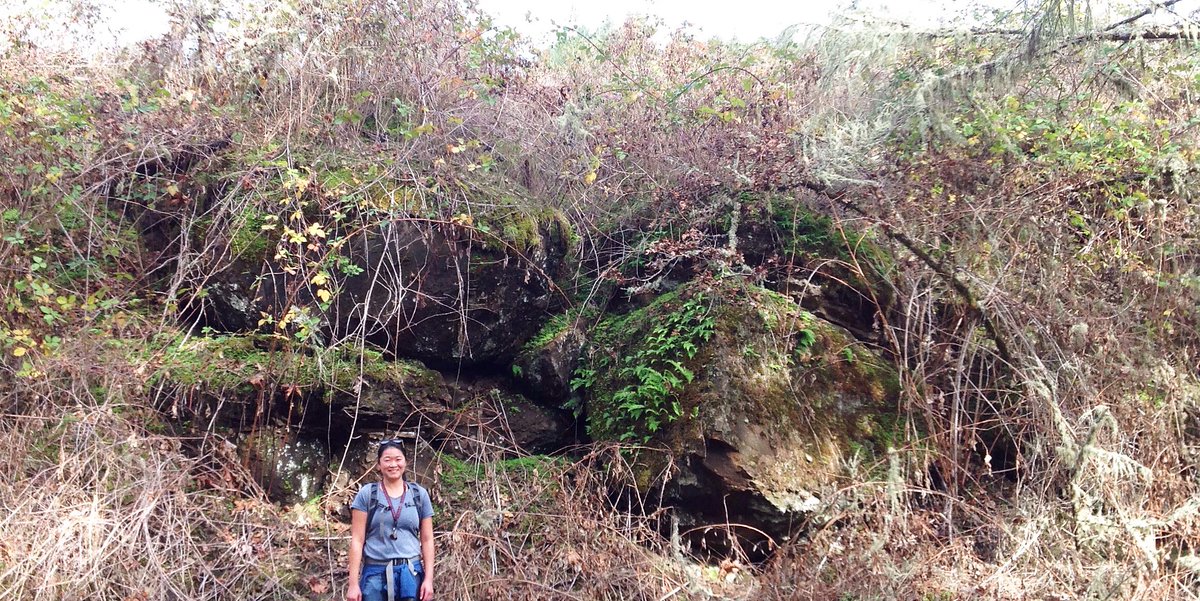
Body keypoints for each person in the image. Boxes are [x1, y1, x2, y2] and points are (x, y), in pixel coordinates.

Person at [346, 439, 435, 601]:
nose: (393, 464)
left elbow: (427, 539)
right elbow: (357, 540)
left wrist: (428, 580)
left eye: (398, 459)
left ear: (405, 463)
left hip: (410, 573)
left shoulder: (419, 495)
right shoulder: (367, 494)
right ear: (379, 465)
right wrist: (353, 584)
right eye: (387, 460)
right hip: (375, 574)